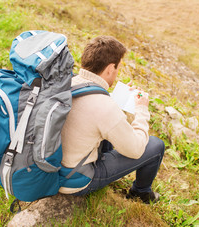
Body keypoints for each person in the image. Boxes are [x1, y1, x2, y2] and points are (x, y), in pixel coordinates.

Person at [60, 36, 165, 204]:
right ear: (110, 68)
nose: (116, 74)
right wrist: (142, 110)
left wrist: (117, 98)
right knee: (155, 145)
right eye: (117, 69)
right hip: (75, 180)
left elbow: (90, 108)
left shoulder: (68, 82)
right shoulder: (105, 107)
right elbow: (136, 149)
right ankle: (141, 192)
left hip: (51, 169)